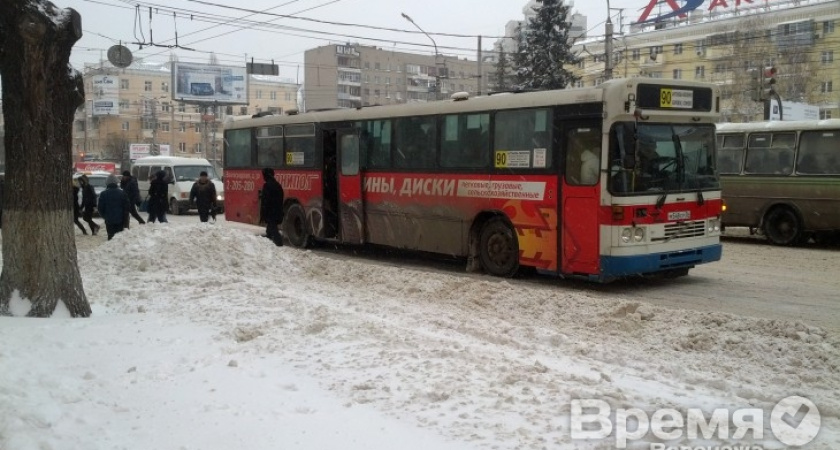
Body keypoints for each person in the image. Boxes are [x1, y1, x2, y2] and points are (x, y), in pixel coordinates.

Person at [97, 174, 130, 240]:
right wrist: (125, 218)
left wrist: (105, 216)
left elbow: (100, 208)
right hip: (120, 220)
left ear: (107, 183)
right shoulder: (122, 193)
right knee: (119, 237)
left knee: (110, 236)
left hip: (109, 220)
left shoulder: (103, 194)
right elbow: (127, 207)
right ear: (116, 183)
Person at [260, 167, 284, 246]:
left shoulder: (267, 186)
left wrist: (263, 214)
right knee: (270, 230)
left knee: (274, 231)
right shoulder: (278, 185)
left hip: (271, 213)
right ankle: (270, 245)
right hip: (277, 212)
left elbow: (265, 201)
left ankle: (279, 245)